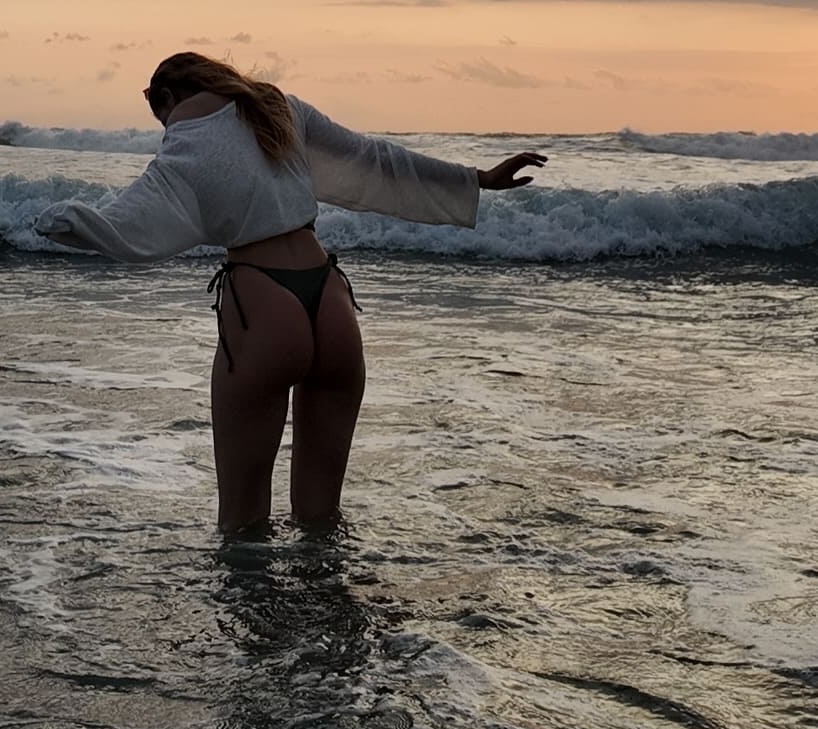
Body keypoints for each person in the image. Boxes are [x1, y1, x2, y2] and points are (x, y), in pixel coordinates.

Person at [35, 52, 546, 533]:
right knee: (322, 520)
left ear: (167, 96)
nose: (165, 127)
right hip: (331, 301)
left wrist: (66, 221)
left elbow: (133, 220)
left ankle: (256, 603)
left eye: (159, 114)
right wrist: (475, 179)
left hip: (264, 306)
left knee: (242, 522)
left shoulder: (186, 137)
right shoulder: (280, 108)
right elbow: (372, 159)